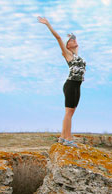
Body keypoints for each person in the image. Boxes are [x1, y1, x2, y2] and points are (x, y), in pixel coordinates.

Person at [37, 16, 86, 148]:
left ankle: (63, 137)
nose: (74, 41)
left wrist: (73, 36)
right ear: (67, 45)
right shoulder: (67, 54)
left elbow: (76, 44)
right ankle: (68, 138)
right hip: (70, 84)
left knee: (71, 112)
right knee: (69, 112)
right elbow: (59, 38)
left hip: (77, 85)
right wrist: (48, 24)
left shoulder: (76, 54)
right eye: (71, 40)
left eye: (74, 40)